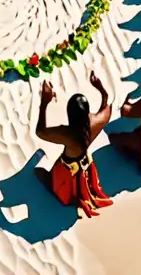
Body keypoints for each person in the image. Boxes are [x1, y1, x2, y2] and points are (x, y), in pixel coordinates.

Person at [34, 72, 114, 217]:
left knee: (39, 172)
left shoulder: (68, 134)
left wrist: (44, 102)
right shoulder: (95, 122)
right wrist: (101, 89)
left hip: (67, 169)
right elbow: (107, 108)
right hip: (85, 165)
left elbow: (40, 132)